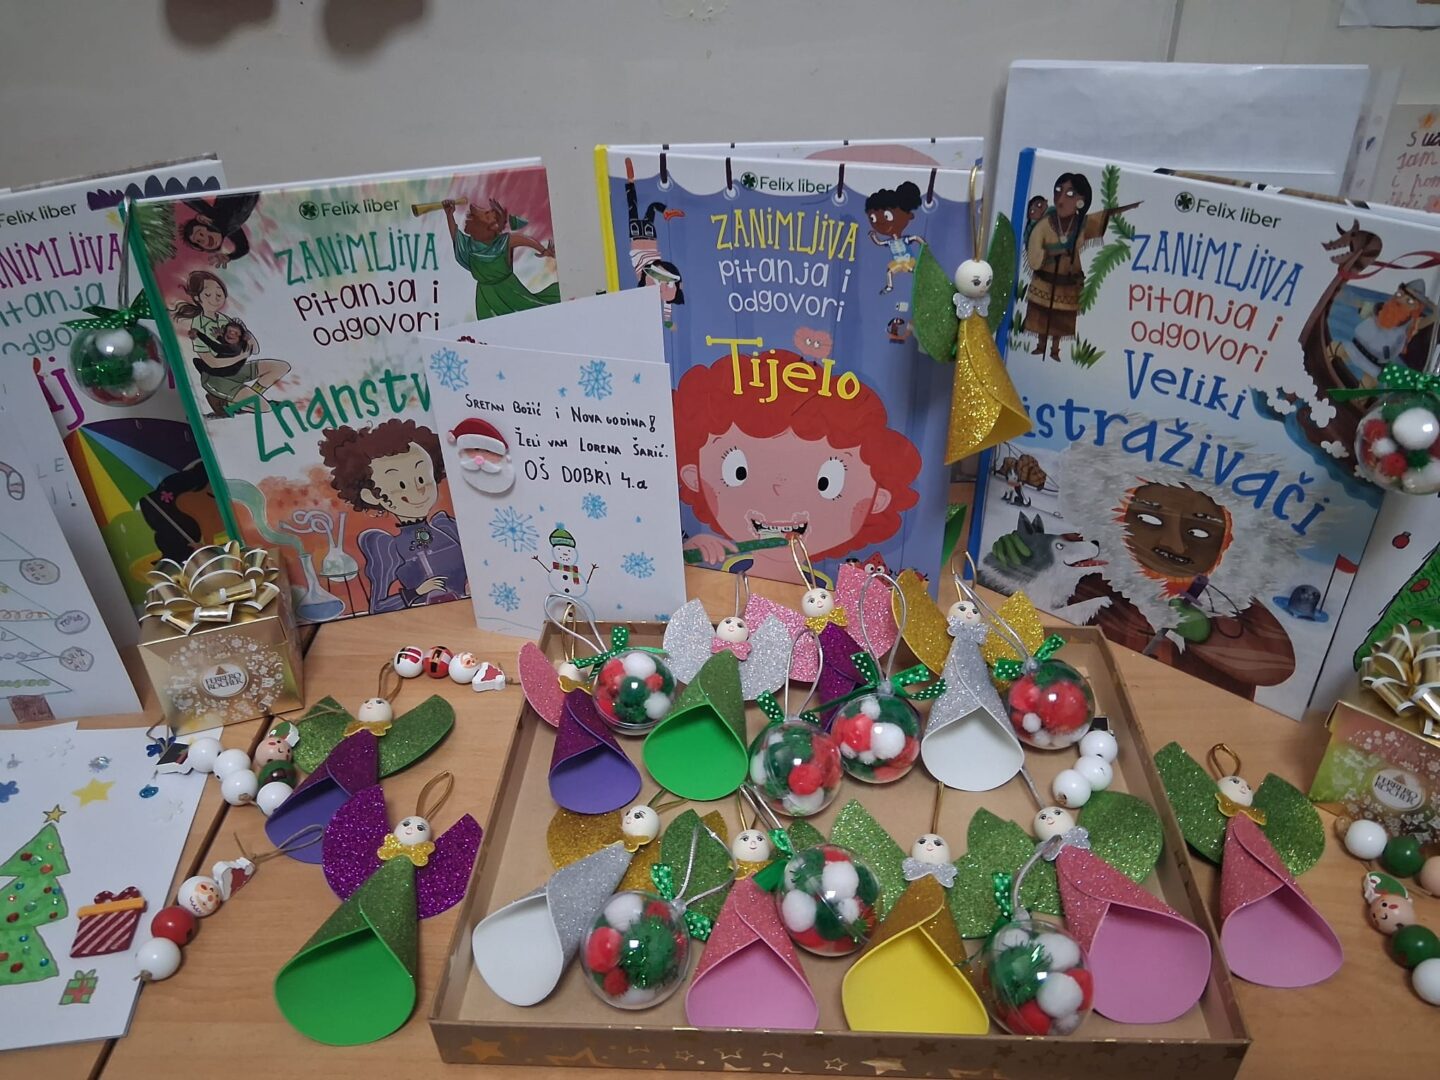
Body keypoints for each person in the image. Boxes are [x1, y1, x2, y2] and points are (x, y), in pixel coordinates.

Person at [672, 348, 920, 580]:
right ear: (694, 477)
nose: (781, 490)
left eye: (827, 482)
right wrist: (689, 553)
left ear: (877, 499)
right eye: (738, 472)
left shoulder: (827, 593)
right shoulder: (721, 571)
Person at [318, 419, 467, 613]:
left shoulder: (446, 526)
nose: (419, 490)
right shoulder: (388, 547)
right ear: (371, 496)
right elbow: (378, 606)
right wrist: (416, 592)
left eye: (422, 478)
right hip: (425, 619)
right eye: (401, 485)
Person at [1023, 173, 1140, 361]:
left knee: (1061, 319)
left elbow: (1103, 216)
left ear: (1081, 201)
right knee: (1042, 316)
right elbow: (1034, 255)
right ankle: (1040, 345)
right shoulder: (1044, 225)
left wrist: (1129, 207)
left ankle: (1055, 349)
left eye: (1070, 194)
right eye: (1058, 191)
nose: (1061, 199)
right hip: (1044, 283)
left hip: (1068, 284)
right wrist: (1051, 253)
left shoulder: (1081, 224)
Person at [170, 271, 289, 417]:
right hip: (216, 378)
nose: (215, 299)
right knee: (265, 407)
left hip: (235, 370)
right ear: (197, 298)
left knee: (281, 367)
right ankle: (227, 405)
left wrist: (247, 335)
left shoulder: (224, 320)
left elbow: (255, 350)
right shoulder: (198, 326)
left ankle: (240, 401)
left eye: (219, 294)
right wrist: (241, 356)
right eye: (208, 295)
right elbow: (213, 363)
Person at [442, 197, 559, 320]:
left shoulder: (503, 243)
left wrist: (543, 250)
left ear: (491, 226)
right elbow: (455, 235)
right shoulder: (470, 246)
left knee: (529, 315)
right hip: (486, 297)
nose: (485, 213)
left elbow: (525, 240)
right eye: (486, 213)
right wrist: (449, 215)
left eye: (488, 215)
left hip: (509, 291)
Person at [865, 181, 924, 294]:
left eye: (887, 216)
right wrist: (874, 236)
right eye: (873, 219)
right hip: (898, 262)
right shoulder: (889, 242)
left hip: (907, 260)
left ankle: (922, 283)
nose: (880, 223)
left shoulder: (904, 240)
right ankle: (889, 286)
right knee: (889, 272)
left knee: (912, 270)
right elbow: (879, 243)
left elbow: (915, 237)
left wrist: (923, 245)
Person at [180, 192, 260, 267]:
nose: (204, 240)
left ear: (203, 220)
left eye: (201, 234)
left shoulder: (215, 218)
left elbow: (190, 200)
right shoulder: (229, 230)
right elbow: (243, 248)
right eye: (199, 241)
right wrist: (229, 257)